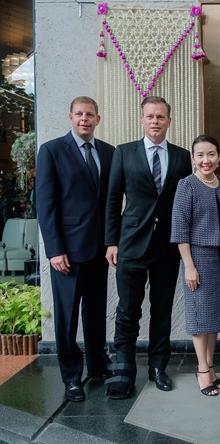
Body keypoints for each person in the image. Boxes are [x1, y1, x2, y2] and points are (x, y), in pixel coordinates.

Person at [104, 96, 192, 399]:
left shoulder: (182, 157)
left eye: (161, 117)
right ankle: (123, 370)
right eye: (150, 116)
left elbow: (184, 203)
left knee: (162, 309)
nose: (155, 121)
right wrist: (111, 241)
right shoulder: (124, 152)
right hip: (130, 243)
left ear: (169, 121)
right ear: (142, 119)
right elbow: (113, 199)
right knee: (128, 309)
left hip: (167, 245)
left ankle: (158, 367)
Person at [36, 96, 115, 402]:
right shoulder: (52, 151)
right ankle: (71, 377)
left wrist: (111, 242)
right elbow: (45, 205)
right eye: (79, 114)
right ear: (70, 116)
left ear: (98, 119)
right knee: (67, 317)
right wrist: (54, 249)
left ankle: (98, 365)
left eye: (90, 114)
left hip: (98, 250)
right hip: (67, 252)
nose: (84, 119)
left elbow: (109, 202)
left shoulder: (108, 152)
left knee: (95, 313)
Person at [171, 135, 220, 397]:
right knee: (199, 317)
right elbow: (180, 229)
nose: (206, 160)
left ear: (219, 157)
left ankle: (211, 367)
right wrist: (189, 266)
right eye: (200, 155)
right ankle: (202, 370)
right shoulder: (187, 185)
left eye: (211, 154)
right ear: (193, 159)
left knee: (214, 316)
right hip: (197, 257)